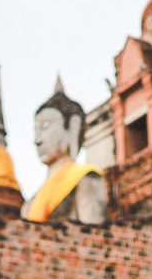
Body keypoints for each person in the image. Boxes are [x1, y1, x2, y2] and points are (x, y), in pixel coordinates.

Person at [22, 76, 106, 224]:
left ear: (73, 128)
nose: (37, 140)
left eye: (46, 126)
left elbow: (94, 236)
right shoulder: (30, 204)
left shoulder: (86, 179)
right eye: (36, 130)